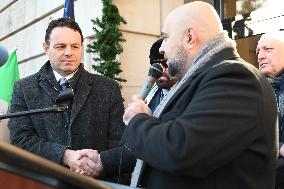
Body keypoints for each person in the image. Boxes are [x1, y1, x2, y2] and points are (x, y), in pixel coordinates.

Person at [119, 1, 278, 189]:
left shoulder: (235, 78)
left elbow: (182, 150)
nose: (161, 48)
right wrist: (101, 160)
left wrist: (139, 119)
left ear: (189, 37)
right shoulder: (205, 78)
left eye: (165, 37)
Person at [8, 17, 125, 179]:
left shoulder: (108, 88)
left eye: (75, 46)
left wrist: (100, 163)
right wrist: (64, 155)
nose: (69, 52)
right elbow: (20, 140)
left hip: (95, 183)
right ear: (46, 48)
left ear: (82, 48)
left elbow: (119, 143)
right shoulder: (24, 88)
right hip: (42, 182)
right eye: (61, 46)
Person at [256, 30, 284, 189]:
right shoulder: (252, 91)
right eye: (259, 51)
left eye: (268, 49)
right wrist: (279, 146)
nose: (260, 56)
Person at [145, 38, 177, 112]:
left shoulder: (190, 96)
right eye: (156, 64)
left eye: (165, 63)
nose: (160, 69)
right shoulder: (150, 94)